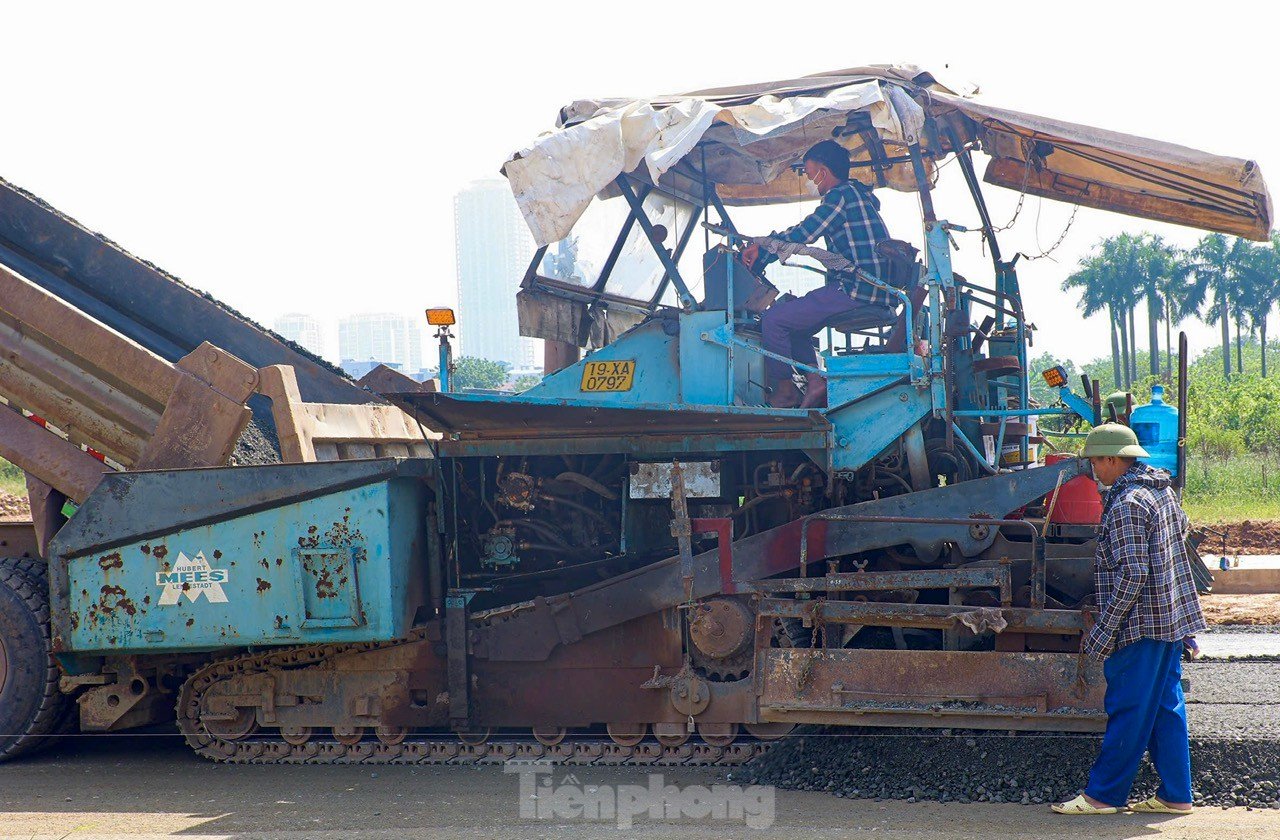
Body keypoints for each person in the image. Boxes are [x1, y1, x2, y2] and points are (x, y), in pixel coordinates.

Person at [1052, 423, 1207, 816]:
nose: (1092, 471)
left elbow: (1132, 574)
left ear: (1111, 459)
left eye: (1095, 463)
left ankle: (1103, 796)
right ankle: (1176, 794)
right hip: (1170, 620)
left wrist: (1103, 632)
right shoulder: (1162, 494)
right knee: (1164, 709)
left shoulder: (1126, 505)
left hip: (1140, 625)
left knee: (1128, 707)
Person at [741, 140, 896, 409]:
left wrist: (761, 245)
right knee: (796, 326)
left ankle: (786, 392)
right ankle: (815, 382)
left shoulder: (841, 195)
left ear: (823, 171)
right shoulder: (859, 194)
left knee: (774, 320)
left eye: (811, 174)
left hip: (857, 288)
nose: (811, 181)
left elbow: (806, 232)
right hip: (871, 287)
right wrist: (765, 250)